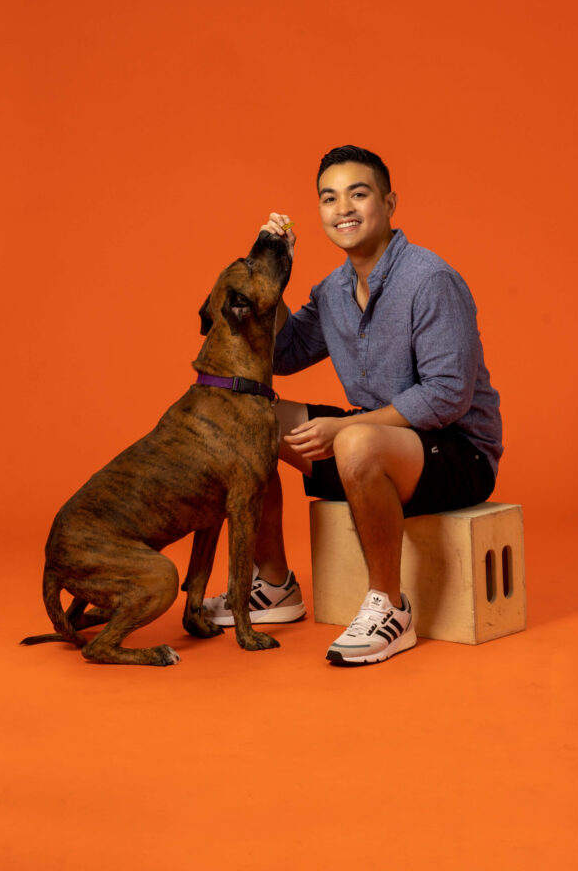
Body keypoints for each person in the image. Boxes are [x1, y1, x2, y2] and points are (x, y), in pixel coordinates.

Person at [204, 145, 502, 666]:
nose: (344, 207)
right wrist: (273, 271)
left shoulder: (430, 281)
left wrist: (344, 432)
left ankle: (391, 606)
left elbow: (446, 397)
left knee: (358, 439)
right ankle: (274, 584)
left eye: (358, 194)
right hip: (373, 443)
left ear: (389, 203)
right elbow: (287, 353)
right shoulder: (335, 291)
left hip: (456, 453)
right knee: (250, 417)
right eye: (329, 197)